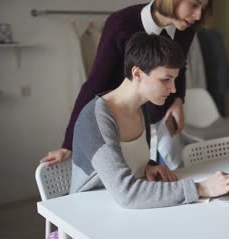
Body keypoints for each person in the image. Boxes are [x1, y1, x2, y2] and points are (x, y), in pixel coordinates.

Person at [70, 33, 229, 239]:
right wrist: (201, 188)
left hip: (126, 217)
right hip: (92, 229)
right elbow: (126, 193)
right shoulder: (96, 118)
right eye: (165, 79)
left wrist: (148, 166)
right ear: (137, 73)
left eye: (174, 80)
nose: (173, 89)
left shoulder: (142, 109)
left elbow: (125, 160)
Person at [41, 0, 212, 167]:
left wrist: (178, 100)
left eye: (202, 8)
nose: (198, 16)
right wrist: (68, 144)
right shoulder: (120, 24)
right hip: (127, 121)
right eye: (194, 5)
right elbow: (95, 82)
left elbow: (179, 68)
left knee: (167, 176)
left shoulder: (186, 30)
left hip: (162, 118)